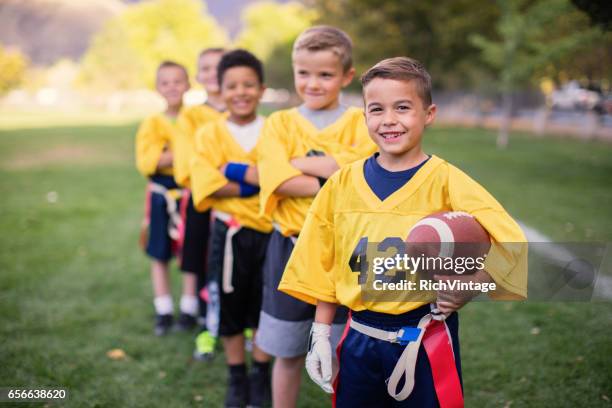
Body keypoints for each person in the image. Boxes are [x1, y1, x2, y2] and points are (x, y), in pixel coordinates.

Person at [279, 57, 528, 407]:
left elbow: (512, 245)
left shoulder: (446, 180)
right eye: (376, 109)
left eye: (403, 107)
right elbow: (324, 263)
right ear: (364, 116)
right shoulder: (341, 183)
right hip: (358, 337)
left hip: (425, 335)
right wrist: (320, 333)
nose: (389, 120)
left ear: (429, 113)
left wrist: (470, 287)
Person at [255, 26, 377, 407]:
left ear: (346, 76)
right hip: (289, 248)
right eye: (304, 73)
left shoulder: (362, 121)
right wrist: (335, 173)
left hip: (344, 252)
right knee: (287, 350)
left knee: (341, 349)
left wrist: (297, 166)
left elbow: (367, 174)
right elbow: (276, 180)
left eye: (325, 74)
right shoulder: (279, 123)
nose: (313, 83)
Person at [190, 49, 273, 408]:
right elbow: (205, 184)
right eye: (232, 86)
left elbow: (284, 176)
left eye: (248, 85)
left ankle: (261, 375)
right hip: (230, 234)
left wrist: (233, 171)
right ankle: (236, 376)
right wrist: (257, 183)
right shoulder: (209, 134)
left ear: (261, 89)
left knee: (267, 307)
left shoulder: (276, 129)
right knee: (230, 307)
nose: (240, 92)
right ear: (219, 90)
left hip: (272, 233)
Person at [135, 61, 196, 336]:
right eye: (165, 82)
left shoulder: (196, 119)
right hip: (161, 195)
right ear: (158, 88)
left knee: (189, 251)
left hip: (189, 193)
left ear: (188, 85)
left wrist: (171, 154)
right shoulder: (152, 122)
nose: (172, 87)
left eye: (178, 81)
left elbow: (203, 154)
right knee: (159, 253)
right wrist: (178, 155)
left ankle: (189, 307)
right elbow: (148, 160)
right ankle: (163, 309)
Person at [174, 48, 226, 359]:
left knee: (230, 264)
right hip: (202, 198)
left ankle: (240, 321)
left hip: (239, 203)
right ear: (198, 76)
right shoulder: (191, 116)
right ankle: (203, 316)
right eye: (205, 68)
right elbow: (188, 163)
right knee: (201, 258)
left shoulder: (241, 113)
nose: (212, 73)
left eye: (219, 67)